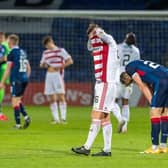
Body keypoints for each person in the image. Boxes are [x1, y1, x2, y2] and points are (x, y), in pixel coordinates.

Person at [72, 23, 120, 156]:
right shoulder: (100, 46)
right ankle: (107, 150)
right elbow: (89, 46)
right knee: (105, 117)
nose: (93, 40)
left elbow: (105, 37)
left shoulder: (109, 42)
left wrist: (97, 31)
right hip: (105, 84)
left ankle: (86, 147)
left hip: (105, 84)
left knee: (96, 115)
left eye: (93, 36)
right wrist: (91, 35)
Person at [120, 59, 168, 154]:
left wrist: (152, 103)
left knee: (154, 113)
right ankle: (163, 146)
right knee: (165, 112)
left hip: (162, 82)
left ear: (126, 78)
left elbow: (142, 86)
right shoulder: (139, 64)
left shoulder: (129, 68)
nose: (132, 83)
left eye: (130, 82)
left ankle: (154, 147)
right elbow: (148, 83)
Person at [0, 34, 31, 129]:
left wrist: (2, 82)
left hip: (16, 79)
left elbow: (8, 69)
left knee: (14, 102)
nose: (7, 43)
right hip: (24, 78)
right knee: (18, 100)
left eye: (8, 41)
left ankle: (18, 124)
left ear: (11, 42)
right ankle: (26, 117)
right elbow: (29, 68)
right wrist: (26, 77)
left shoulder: (11, 53)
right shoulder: (23, 52)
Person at [40, 36, 73, 124]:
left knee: (61, 96)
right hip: (49, 75)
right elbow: (41, 64)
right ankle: (56, 119)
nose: (47, 47)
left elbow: (70, 61)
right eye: (46, 46)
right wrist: (44, 65)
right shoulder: (45, 53)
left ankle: (63, 118)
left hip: (58, 75)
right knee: (51, 97)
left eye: (48, 44)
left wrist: (60, 66)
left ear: (51, 42)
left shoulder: (61, 51)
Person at [112, 32, 140, 133]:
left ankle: (120, 119)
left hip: (118, 76)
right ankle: (124, 127)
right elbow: (137, 66)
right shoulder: (136, 51)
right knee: (125, 101)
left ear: (125, 38)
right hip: (129, 77)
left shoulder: (118, 47)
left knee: (113, 101)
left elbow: (113, 61)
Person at [0, 32, 10, 121]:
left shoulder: (4, 45)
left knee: (1, 86)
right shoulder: (5, 45)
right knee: (1, 86)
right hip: (3, 68)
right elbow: (4, 58)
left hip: (3, 67)